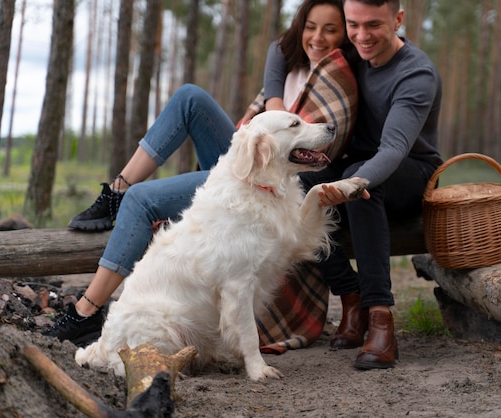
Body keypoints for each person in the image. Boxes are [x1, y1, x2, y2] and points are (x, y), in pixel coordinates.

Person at [43, 0, 359, 349]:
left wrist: (271, 123)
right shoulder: (288, 60)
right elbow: (267, 109)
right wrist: (264, 123)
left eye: (331, 29)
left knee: (142, 200)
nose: (318, 37)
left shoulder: (337, 75)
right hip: (246, 163)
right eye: (311, 26)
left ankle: (86, 313)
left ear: (347, 33)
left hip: (270, 174)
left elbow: (313, 145)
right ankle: (115, 191)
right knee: (190, 97)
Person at [266, 0, 442, 370]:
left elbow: (394, 149)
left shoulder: (416, 74)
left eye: (373, 25)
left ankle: (380, 319)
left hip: (411, 171)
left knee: (362, 185)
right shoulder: (354, 50)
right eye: (353, 25)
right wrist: (274, 101)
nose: (362, 36)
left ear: (398, 19)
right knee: (304, 183)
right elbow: (283, 47)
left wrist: (353, 183)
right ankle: (349, 293)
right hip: (355, 163)